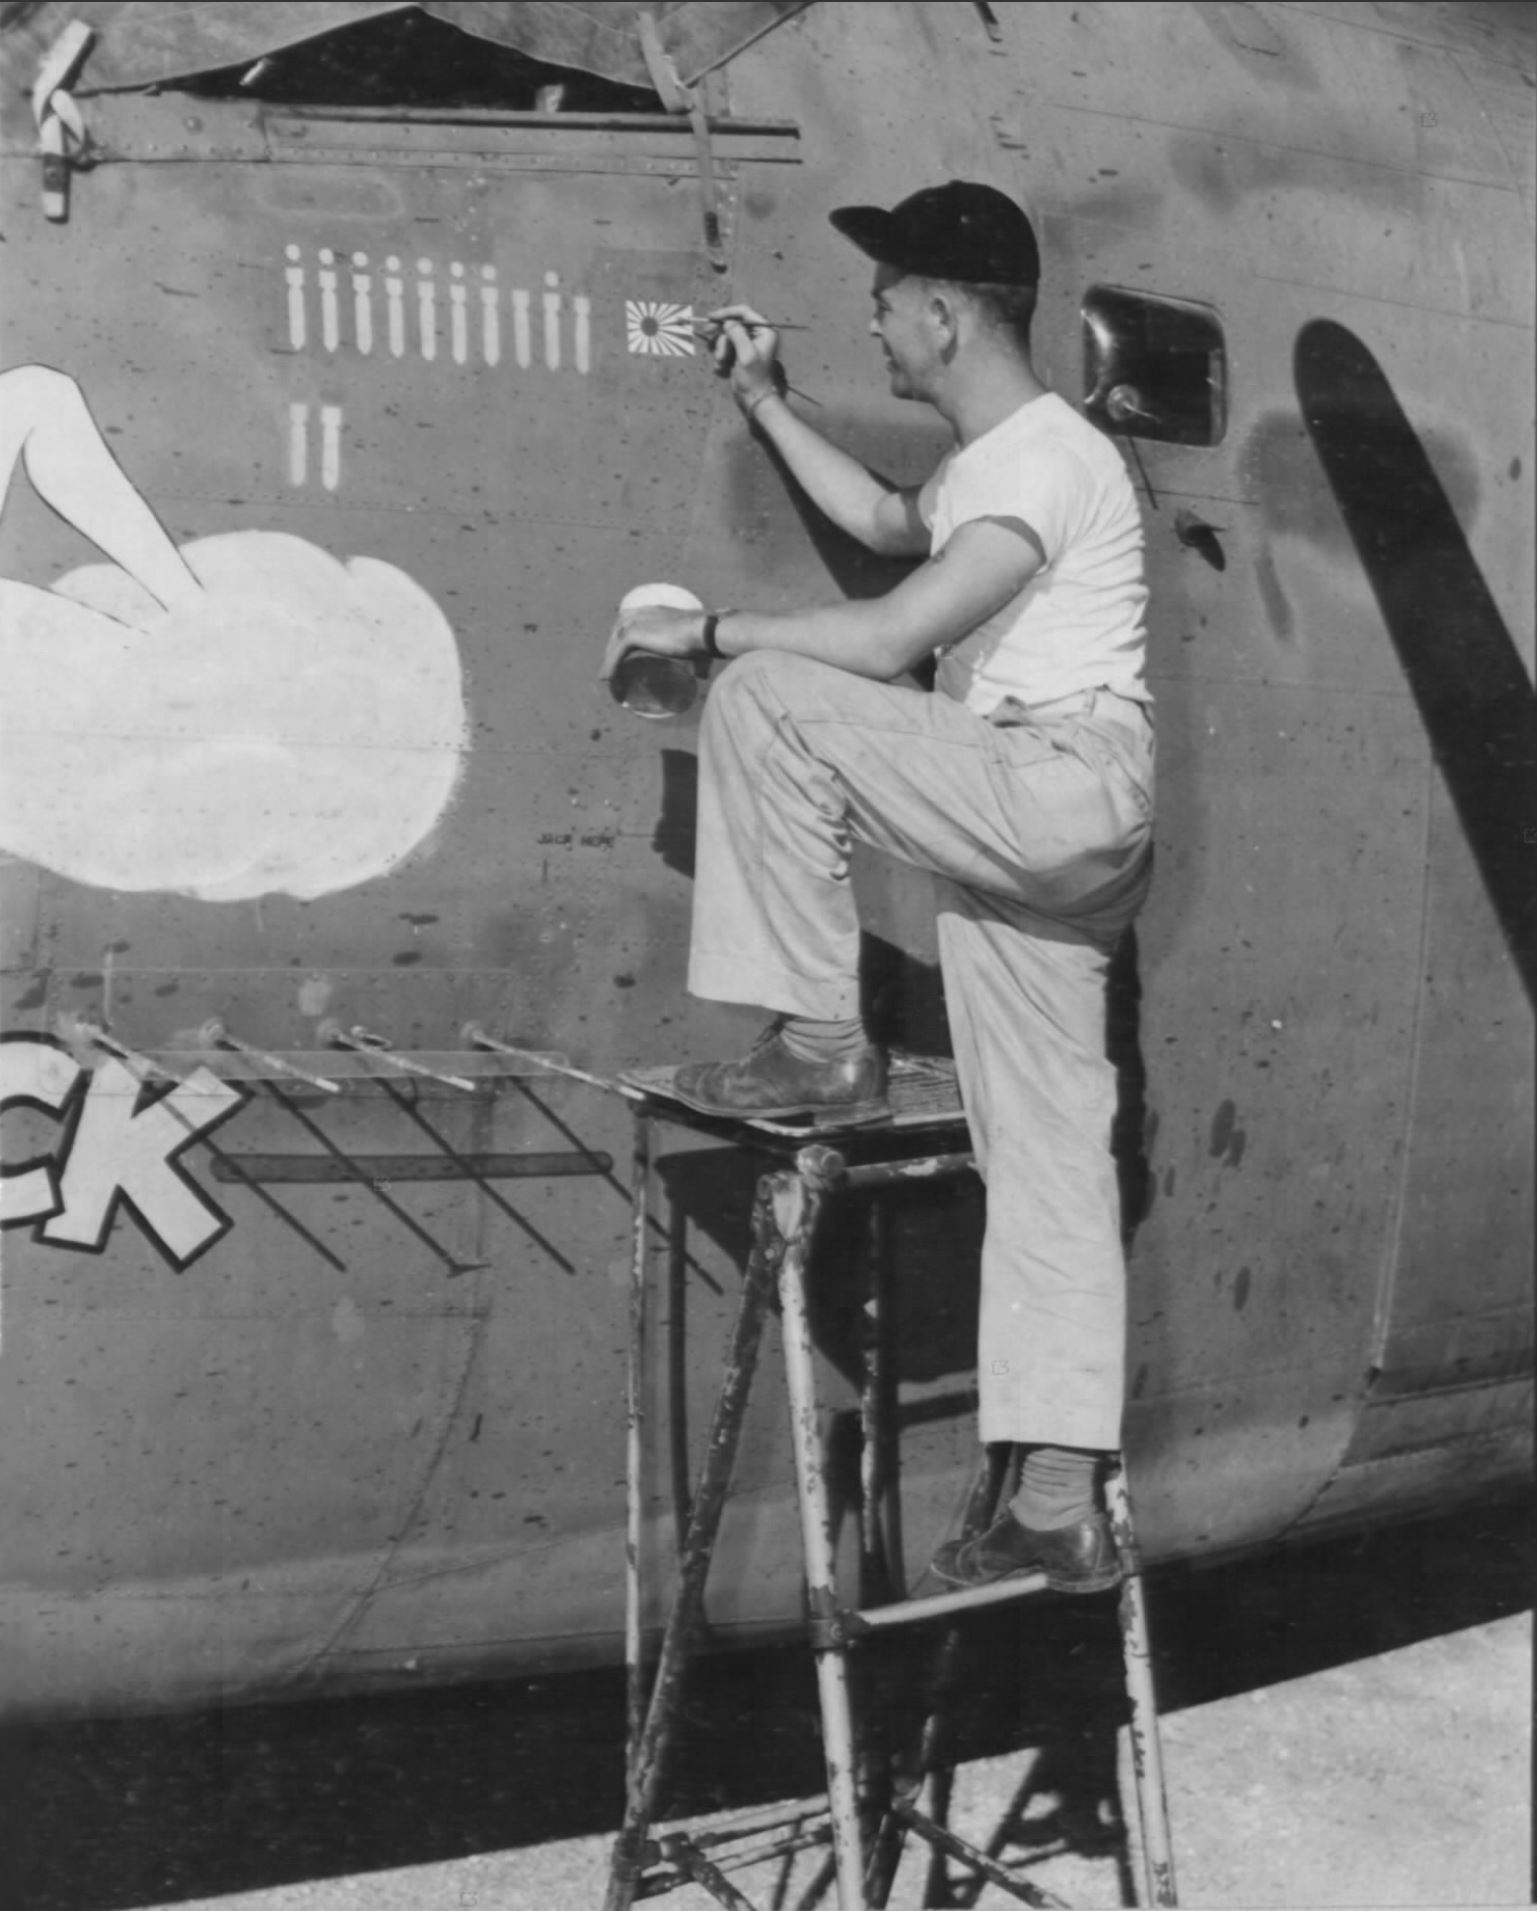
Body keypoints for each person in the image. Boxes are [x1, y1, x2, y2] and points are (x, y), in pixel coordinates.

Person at [600, 181, 1154, 1594]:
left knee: (771, 698)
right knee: (1046, 1146)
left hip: (1049, 778)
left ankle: (823, 1048)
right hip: (1044, 825)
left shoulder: (1042, 458)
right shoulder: (1002, 465)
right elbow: (881, 515)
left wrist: (703, 631)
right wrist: (762, 399)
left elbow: (900, 628)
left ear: (946, 310)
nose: (873, 321)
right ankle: (1052, 1495)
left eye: (885, 297)